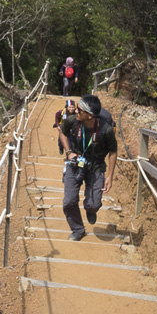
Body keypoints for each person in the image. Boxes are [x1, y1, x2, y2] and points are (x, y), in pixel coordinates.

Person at [59, 94, 118, 241]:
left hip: (96, 167)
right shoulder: (73, 121)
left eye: (80, 110)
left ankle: (90, 209)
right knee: (69, 201)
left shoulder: (106, 130)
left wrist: (109, 176)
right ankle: (78, 229)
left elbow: (113, 152)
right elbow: (62, 131)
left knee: (93, 204)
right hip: (75, 164)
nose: (76, 111)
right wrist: (68, 152)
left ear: (90, 116)